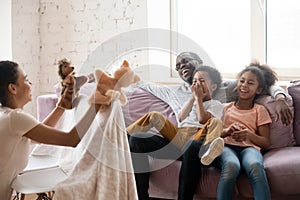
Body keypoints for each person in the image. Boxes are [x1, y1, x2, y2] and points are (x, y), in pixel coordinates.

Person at [0, 61, 102, 200]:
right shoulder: (15, 118)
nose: (30, 84)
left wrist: (61, 106)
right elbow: (71, 139)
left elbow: (38, 136)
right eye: (26, 79)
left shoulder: (6, 115)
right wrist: (97, 104)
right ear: (12, 88)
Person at [127, 65, 224, 165]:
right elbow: (181, 118)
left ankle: (208, 151)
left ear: (213, 87)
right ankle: (125, 137)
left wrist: (199, 99)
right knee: (154, 115)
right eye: (194, 81)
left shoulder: (215, 104)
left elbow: (202, 120)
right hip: (179, 135)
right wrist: (192, 98)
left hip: (196, 138)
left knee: (216, 122)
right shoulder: (192, 101)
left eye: (202, 81)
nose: (197, 84)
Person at [216, 65, 273, 200]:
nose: (244, 85)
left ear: (258, 90)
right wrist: (226, 131)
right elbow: (214, 135)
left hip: (249, 148)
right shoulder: (225, 109)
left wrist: (249, 134)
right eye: (242, 81)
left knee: (255, 165)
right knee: (231, 166)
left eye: (250, 83)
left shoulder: (260, 110)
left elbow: (266, 142)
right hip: (226, 147)